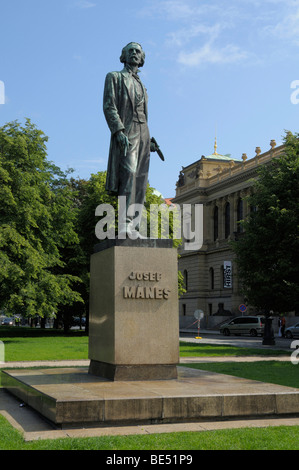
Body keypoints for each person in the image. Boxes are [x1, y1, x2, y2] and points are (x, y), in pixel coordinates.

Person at [103, 42, 159, 236]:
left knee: (141, 179)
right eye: (131, 51)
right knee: (128, 174)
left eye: (138, 51)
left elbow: (143, 112)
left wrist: (149, 139)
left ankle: (134, 224)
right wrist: (119, 131)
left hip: (144, 131)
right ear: (124, 56)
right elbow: (109, 106)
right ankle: (124, 223)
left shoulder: (142, 85)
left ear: (142, 58)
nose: (135, 53)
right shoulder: (115, 77)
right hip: (127, 130)